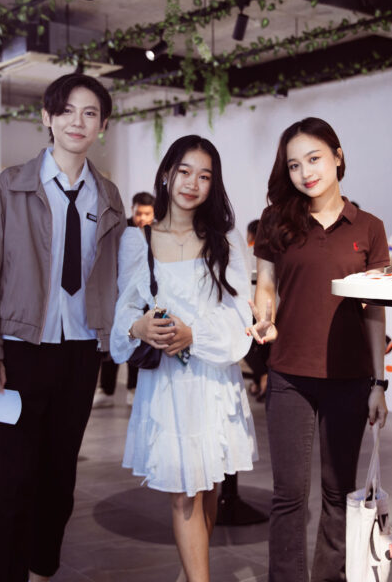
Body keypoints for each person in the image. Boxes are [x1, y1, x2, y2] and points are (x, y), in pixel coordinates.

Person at [0, 73, 126, 582]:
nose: (77, 122)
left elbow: (116, 272)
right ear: (47, 118)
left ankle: (41, 569)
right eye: (67, 111)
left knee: (60, 479)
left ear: (102, 125)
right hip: (19, 351)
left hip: (80, 352)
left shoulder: (108, 196)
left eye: (90, 113)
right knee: (16, 479)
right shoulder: (10, 185)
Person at [248, 117, 389, 581]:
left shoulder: (369, 227)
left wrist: (379, 383)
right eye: (294, 165)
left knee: (337, 493)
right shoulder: (276, 220)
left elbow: (374, 311)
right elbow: (266, 284)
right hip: (289, 373)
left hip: (349, 377)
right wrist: (264, 316)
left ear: (337, 156)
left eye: (314, 159)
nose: (305, 172)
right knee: (288, 496)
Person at [111, 135, 257, 582]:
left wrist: (195, 334)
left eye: (204, 176)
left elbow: (241, 315)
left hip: (212, 380)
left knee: (207, 486)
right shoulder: (137, 240)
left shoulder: (224, 240)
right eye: (185, 171)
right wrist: (139, 327)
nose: (193, 183)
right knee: (182, 493)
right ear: (166, 175)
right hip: (167, 386)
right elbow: (122, 313)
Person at [93, 191, 156, 408]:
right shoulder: (122, 229)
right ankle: (106, 389)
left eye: (147, 214)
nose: (142, 218)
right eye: (139, 213)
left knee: (138, 341)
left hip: (146, 294)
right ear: (132, 210)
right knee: (115, 337)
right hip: (119, 291)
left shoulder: (158, 232)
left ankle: (133, 388)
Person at [243, 219, 269, 401]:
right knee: (265, 347)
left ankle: (262, 377)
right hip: (269, 308)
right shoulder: (272, 253)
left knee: (249, 347)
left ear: (251, 235)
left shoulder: (246, 253)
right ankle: (261, 380)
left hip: (249, 307)